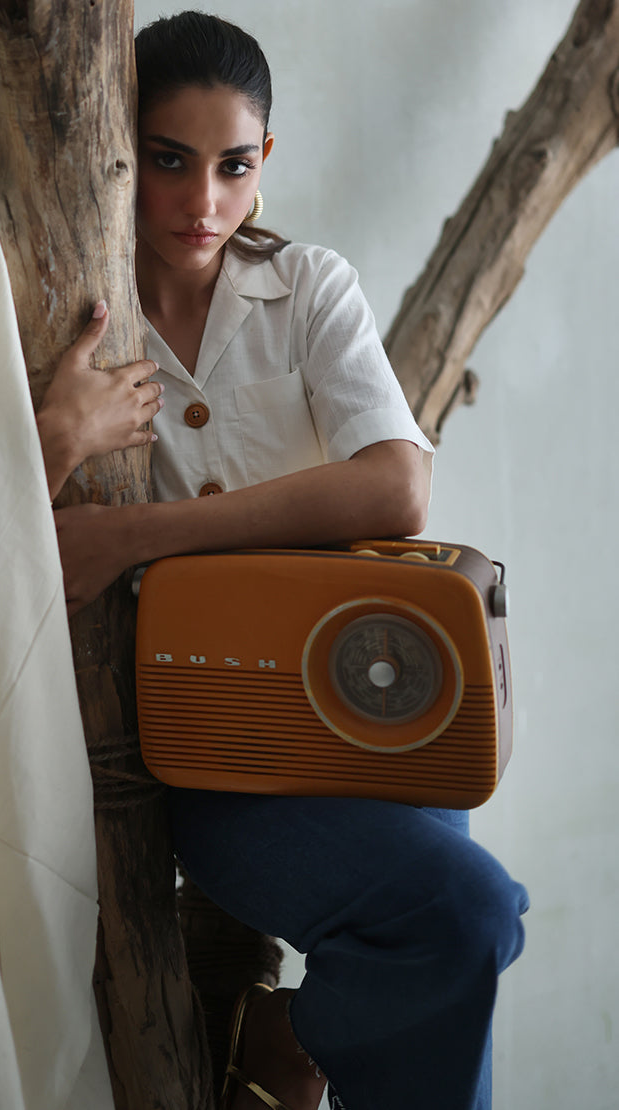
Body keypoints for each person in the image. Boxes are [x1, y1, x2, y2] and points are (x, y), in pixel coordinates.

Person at [35, 12, 529, 1110]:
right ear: (125, 151)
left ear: (268, 162)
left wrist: (142, 537)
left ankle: (299, 1025)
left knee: (462, 916)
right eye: (169, 160)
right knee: (473, 916)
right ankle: (298, 1024)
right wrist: (57, 436)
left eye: (233, 165)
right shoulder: (64, 311)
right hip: (220, 755)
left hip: (376, 716)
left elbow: (398, 485)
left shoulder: (306, 286)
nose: (202, 203)